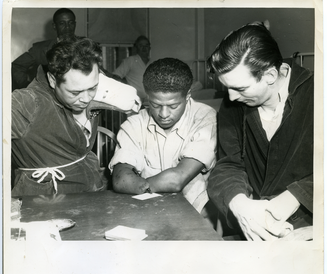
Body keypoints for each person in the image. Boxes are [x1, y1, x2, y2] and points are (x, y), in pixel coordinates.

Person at [206, 22, 313, 241]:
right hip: (259, 226)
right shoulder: (233, 104)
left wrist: (294, 197)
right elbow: (228, 165)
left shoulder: (318, 95)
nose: (232, 97)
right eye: (227, 87)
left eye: (240, 88)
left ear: (271, 76)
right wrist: (239, 204)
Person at [11, 36, 141, 197]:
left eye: (93, 88)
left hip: (94, 190)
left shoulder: (90, 80)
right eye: (75, 92)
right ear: (52, 80)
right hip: (46, 201)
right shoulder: (26, 102)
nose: (86, 99)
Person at [110, 57, 218, 224]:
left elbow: (176, 180)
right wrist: (148, 186)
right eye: (155, 104)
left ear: (188, 95)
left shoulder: (204, 118)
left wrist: (139, 184)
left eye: (173, 106)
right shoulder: (134, 124)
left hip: (198, 215)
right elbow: (120, 179)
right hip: (149, 214)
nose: (164, 114)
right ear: (147, 96)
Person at [12, 8, 77, 91]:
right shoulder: (39, 49)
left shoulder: (86, 46)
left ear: (75, 24)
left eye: (71, 23)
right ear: (54, 26)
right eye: (62, 23)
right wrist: (28, 87)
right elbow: (16, 66)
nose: (67, 27)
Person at [112, 35, 151, 102]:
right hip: (134, 101)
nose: (144, 48)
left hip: (151, 102)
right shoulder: (130, 61)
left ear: (149, 48)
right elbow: (115, 76)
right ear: (136, 48)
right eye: (141, 45)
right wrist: (127, 87)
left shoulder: (153, 63)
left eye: (146, 45)